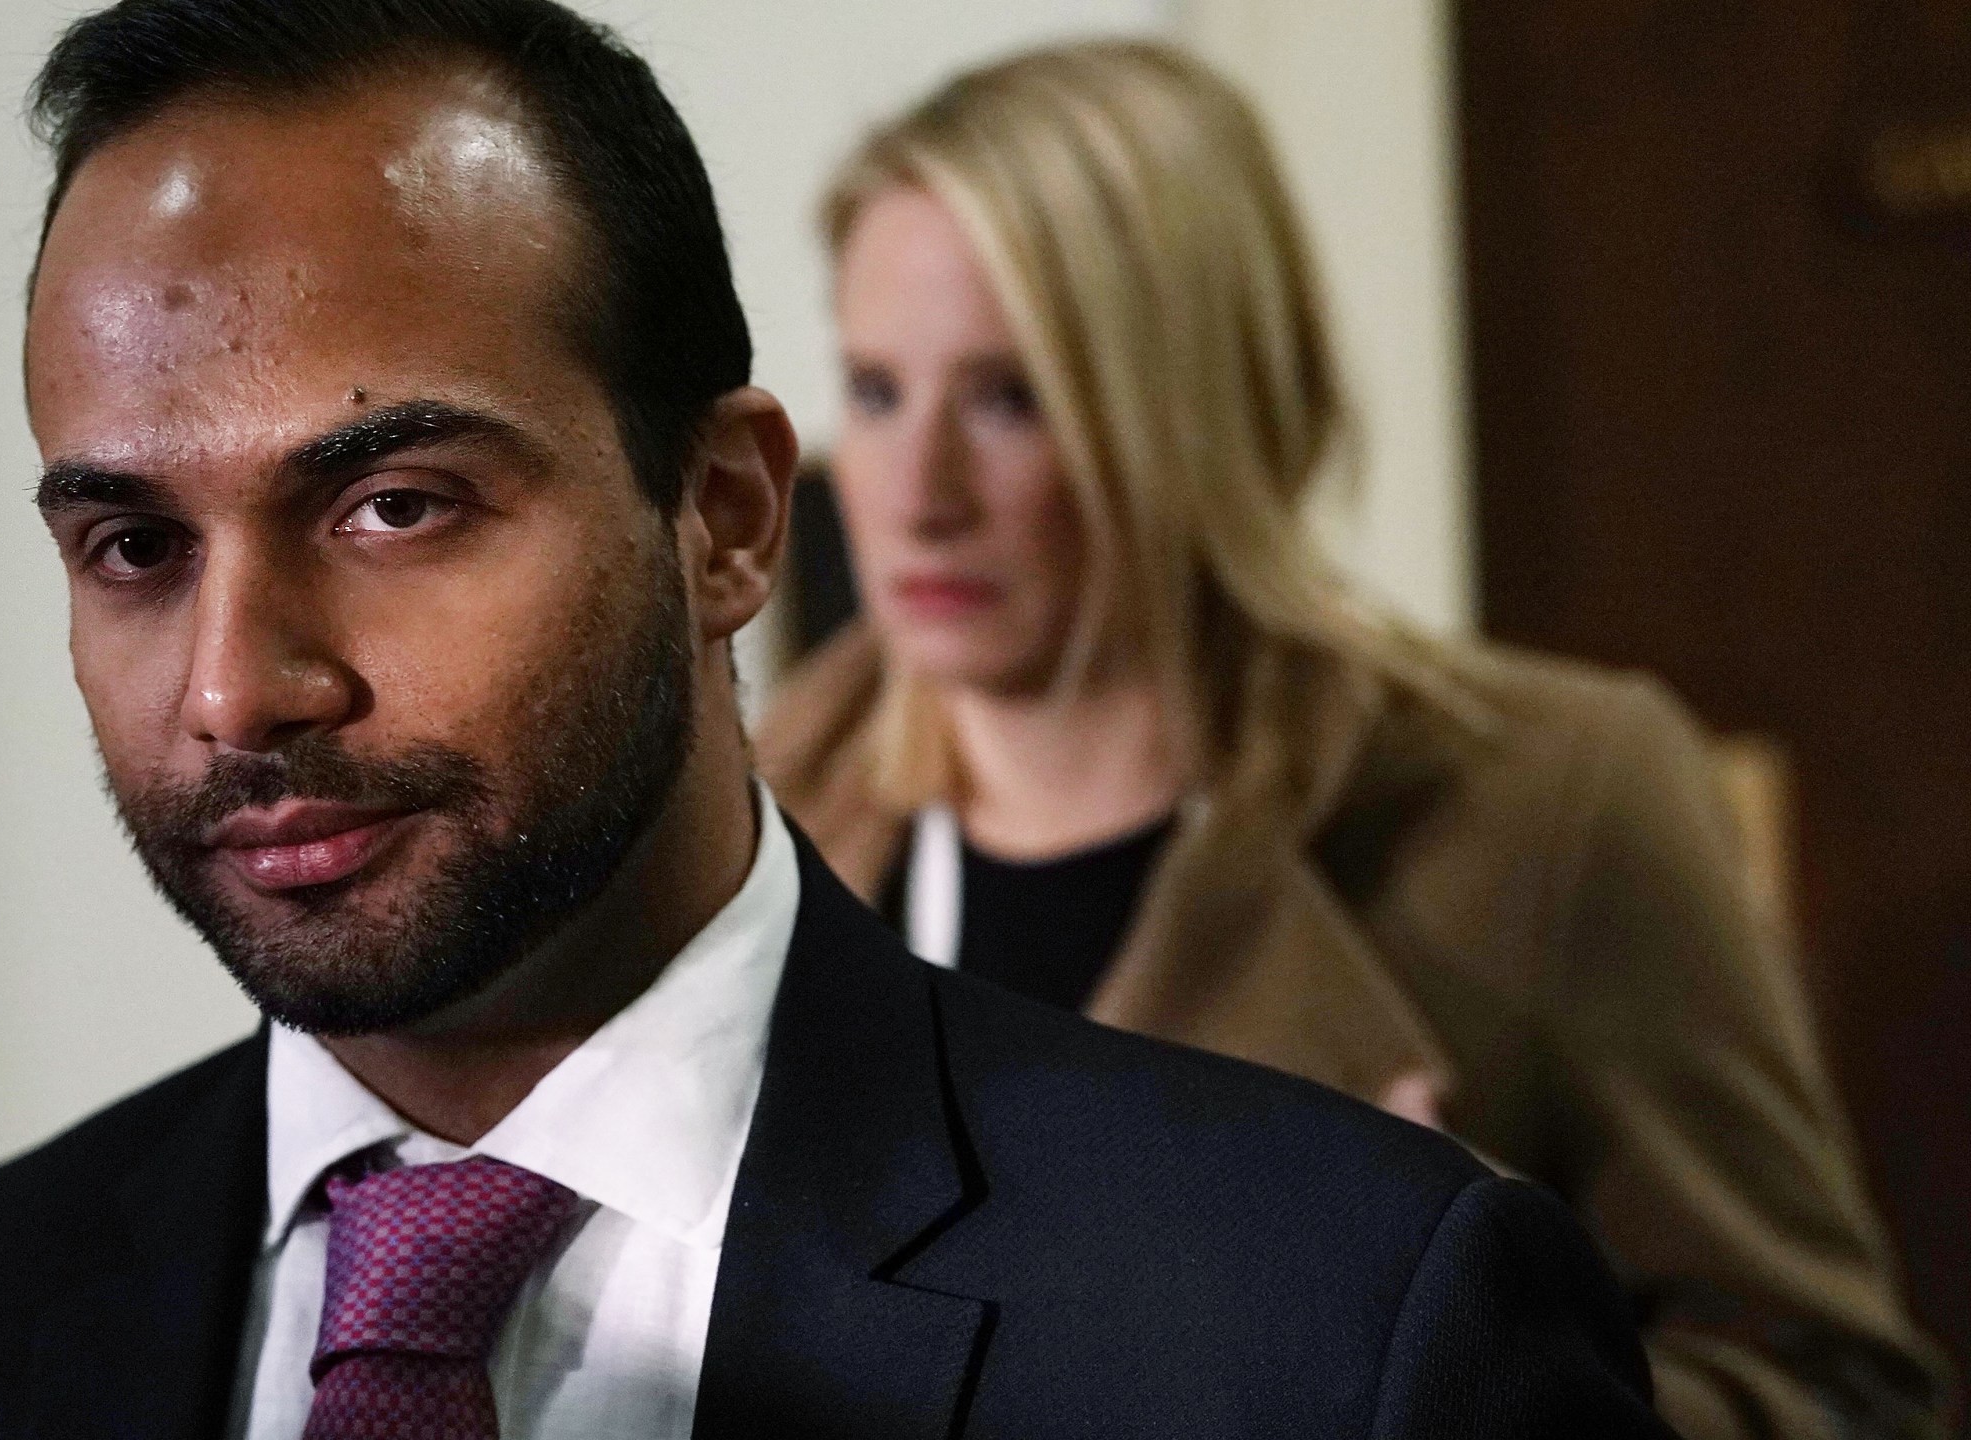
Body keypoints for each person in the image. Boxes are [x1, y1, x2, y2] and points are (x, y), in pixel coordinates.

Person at [0, 4, 1675, 1437]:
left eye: (395, 508)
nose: (234, 688)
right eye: (129, 544)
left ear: (729, 516)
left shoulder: (1331, 1326)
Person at [757, 39, 1950, 1440]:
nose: (916, 495)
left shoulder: (1552, 801)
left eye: (1012, 396)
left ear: (1193, 406)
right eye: (879, 391)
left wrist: (1453, 1359)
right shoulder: (758, 819)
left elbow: (1842, 1395)